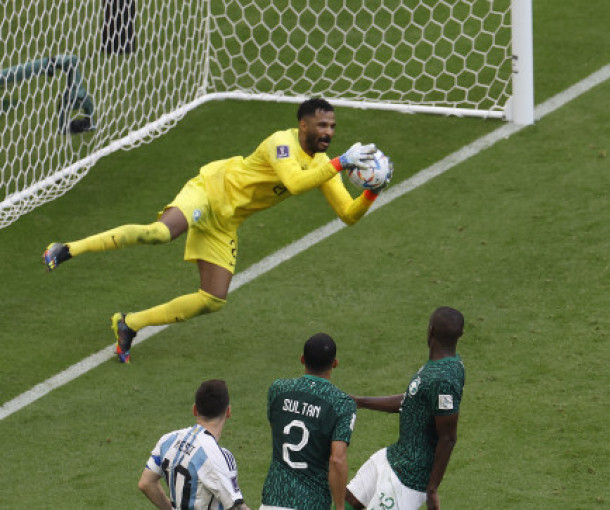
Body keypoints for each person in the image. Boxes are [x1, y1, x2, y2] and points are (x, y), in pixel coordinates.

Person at [42, 98, 387, 363]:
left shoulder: (323, 165)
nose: (329, 132)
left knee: (213, 299)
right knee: (160, 234)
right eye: (322, 125)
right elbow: (295, 183)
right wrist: (342, 162)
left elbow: (348, 214)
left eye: (332, 127)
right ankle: (67, 248)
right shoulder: (280, 143)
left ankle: (129, 323)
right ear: (302, 125)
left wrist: (373, 190)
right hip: (209, 191)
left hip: (226, 222)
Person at [346, 306, 465, 509]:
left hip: (409, 477)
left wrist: (432, 489)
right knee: (349, 499)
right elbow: (413, 399)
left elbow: (448, 437)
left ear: (430, 331)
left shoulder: (443, 379)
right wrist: (360, 401)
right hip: (395, 456)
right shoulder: (447, 365)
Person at [260, 333, 356, 510]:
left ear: (302, 359)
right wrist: (340, 506)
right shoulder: (341, 403)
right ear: (335, 363)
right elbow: (337, 459)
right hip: (312, 503)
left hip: (272, 500)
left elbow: (276, 430)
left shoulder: (278, 390)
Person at [139, 379, 251, 509]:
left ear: (194, 409)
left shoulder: (168, 440)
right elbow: (236, 506)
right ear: (228, 412)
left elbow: (146, 483)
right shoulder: (219, 457)